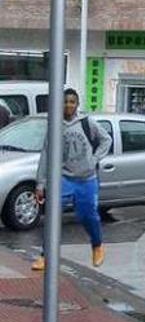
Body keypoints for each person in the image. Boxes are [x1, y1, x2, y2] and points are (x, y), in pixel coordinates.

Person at [32, 89, 112, 271]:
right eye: (65, 101)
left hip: (86, 179)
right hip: (64, 178)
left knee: (88, 216)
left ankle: (97, 245)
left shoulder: (87, 123)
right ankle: (46, 256)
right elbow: (46, 153)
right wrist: (40, 183)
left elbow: (106, 140)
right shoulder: (55, 125)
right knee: (52, 216)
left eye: (72, 102)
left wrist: (94, 159)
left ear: (77, 104)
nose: (68, 105)